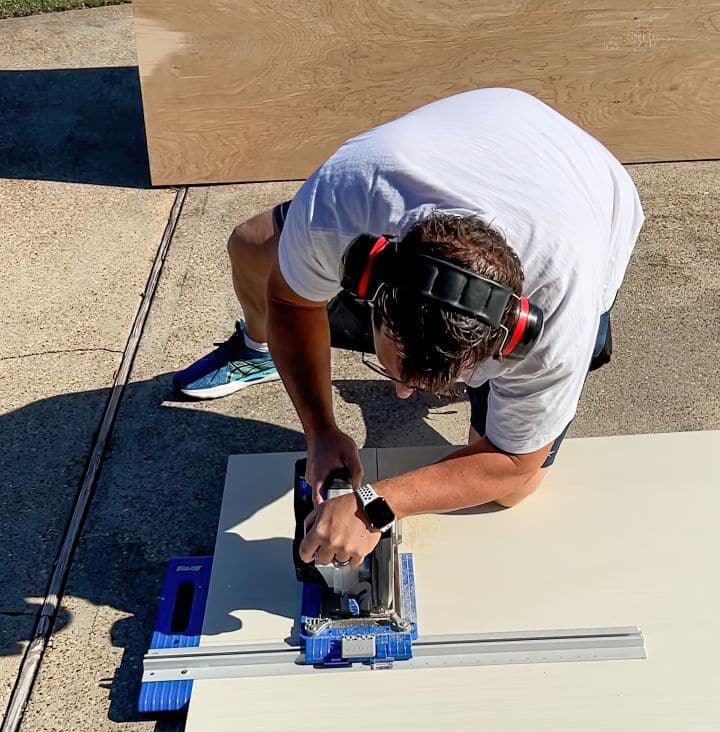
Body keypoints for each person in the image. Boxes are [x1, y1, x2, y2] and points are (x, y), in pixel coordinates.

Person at [173, 88, 644, 569]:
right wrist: (319, 428)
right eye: (394, 370)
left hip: (587, 187)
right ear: (366, 280)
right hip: (449, 160)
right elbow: (288, 301)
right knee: (253, 247)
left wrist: (375, 506)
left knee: (514, 493)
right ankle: (259, 350)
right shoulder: (342, 204)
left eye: (444, 378)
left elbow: (512, 464)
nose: (403, 393)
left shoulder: (560, 305)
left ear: (514, 335)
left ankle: (495, 376)